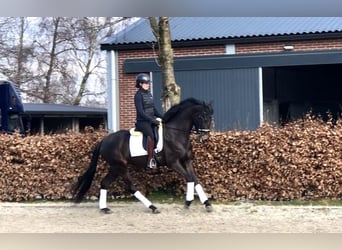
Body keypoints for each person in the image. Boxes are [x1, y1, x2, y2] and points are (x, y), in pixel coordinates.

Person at [134, 73, 163, 169]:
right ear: (140, 84)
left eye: (148, 83)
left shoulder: (149, 94)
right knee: (151, 135)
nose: (148, 85)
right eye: (146, 83)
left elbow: (154, 109)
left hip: (150, 120)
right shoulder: (138, 95)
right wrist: (151, 120)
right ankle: (150, 160)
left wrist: (163, 117)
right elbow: (141, 112)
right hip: (142, 122)